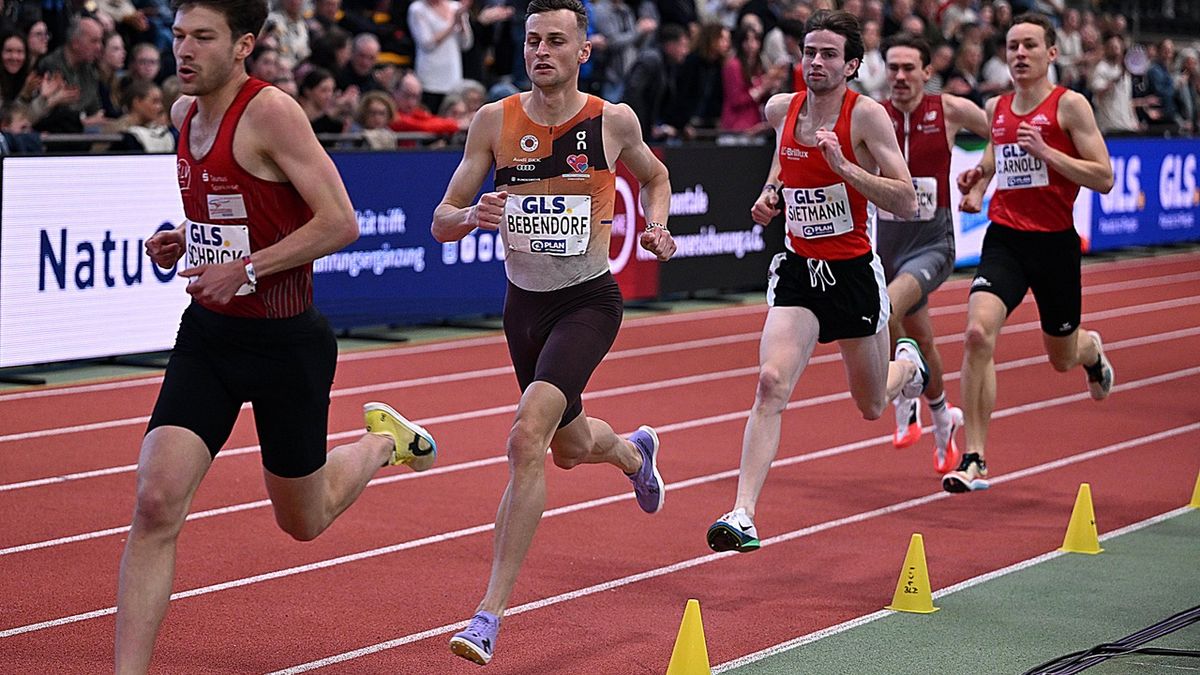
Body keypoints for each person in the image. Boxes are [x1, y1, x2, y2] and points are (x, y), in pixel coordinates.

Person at [113, 1, 436, 672]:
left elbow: (341, 221)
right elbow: (234, 212)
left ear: (243, 45)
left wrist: (249, 268)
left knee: (303, 520)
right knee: (155, 501)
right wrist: (185, 239)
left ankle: (382, 443)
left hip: (287, 343)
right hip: (209, 338)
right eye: (179, 35)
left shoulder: (271, 113)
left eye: (204, 37)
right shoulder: (183, 113)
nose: (184, 50)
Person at [430, 0, 676, 664]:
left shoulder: (611, 121)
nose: (541, 51)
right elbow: (441, 220)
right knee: (569, 446)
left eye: (556, 41)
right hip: (523, 309)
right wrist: (470, 215)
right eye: (533, 39)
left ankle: (487, 614)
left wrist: (657, 225)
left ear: (583, 52)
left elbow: (656, 176)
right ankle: (634, 454)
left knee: (526, 435)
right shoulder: (494, 120)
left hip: (587, 302)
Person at [705, 10, 924, 554]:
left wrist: (845, 168)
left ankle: (907, 368)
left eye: (829, 54)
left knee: (871, 405)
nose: (816, 63)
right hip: (800, 269)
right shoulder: (781, 109)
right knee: (770, 382)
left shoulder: (867, 116)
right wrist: (770, 194)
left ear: (852, 65)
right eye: (809, 52)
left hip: (852, 273)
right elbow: (783, 162)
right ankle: (743, 513)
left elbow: (906, 199)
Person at [950, 13, 1114, 493]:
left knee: (1062, 357)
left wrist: (1049, 154)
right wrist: (977, 183)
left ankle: (1091, 350)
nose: (1019, 54)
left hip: (1054, 244)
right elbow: (996, 155)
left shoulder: (1071, 106)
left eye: (1030, 45)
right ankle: (974, 457)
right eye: (1012, 46)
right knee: (977, 333)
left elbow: (1104, 177)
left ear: (1052, 53)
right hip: (1005, 238)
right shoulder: (996, 106)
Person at [878, 34, 988, 474]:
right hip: (886, 245)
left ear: (927, 72)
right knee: (921, 338)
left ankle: (905, 395)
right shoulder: (873, 115)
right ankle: (943, 417)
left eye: (909, 68)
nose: (900, 76)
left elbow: (999, 134)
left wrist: (980, 179)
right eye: (893, 68)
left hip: (932, 244)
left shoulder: (949, 109)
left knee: (885, 308)